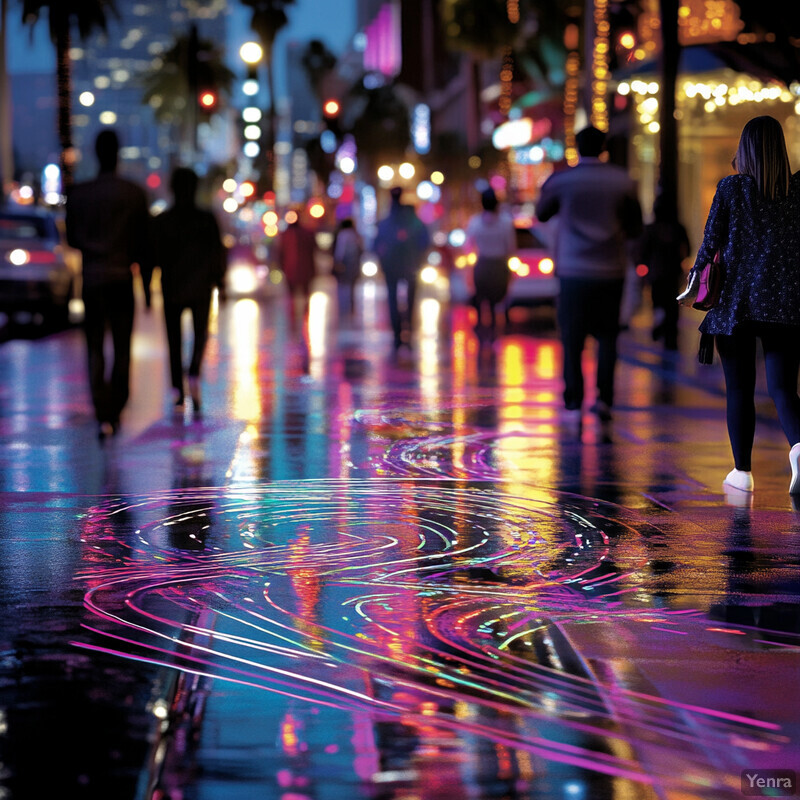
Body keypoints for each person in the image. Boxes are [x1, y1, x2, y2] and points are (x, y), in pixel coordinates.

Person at [681, 115, 800, 495]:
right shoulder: (798, 190)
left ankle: (742, 473)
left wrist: (695, 280)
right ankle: (799, 447)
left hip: (736, 303)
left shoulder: (732, 188)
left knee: (739, 389)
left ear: (744, 149)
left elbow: (710, 240)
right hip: (787, 303)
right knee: (784, 389)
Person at [536, 125, 643, 422]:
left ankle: (573, 402)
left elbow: (542, 213)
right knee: (608, 337)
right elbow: (635, 226)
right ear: (604, 148)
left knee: (572, 338)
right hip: (611, 270)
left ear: (577, 147)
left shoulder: (561, 181)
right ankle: (605, 399)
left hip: (572, 271)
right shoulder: (623, 181)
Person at [65, 128, 152, 439]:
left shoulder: (78, 194)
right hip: (120, 278)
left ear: (95, 153)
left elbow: (73, 238)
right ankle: (115, 407)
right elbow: (145, 243)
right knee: (122, 344)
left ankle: (102, 408)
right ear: (118, 153)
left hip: (92, 278)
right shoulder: (134, 193)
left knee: (94, 347)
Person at [150, 166, 225, 413]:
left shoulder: (162, 221)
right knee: (200, 334)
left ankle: (177, 391)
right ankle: (193, 372)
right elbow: (217, 254)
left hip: (172, 287)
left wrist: (148, 288)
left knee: (173, 340)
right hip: (201, 288)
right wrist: (220, 283)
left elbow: (154, 256)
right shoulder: (206, 219)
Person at [373, 186, 431, 349]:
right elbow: (424, 241)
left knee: (393, 298)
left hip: (394, 266)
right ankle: (407, 330)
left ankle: (398, 333)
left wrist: (383, 259)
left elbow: (376, 245)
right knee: (409, 299)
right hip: (410, 266)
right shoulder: (412, 220)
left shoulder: (387, 221)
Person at [638, 194, 690, 350]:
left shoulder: (651, 229)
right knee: (672, 306)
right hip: (673, 272)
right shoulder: (678, 228)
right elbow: (687, 249)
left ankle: (660, 327)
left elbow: (643, 252)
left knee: (658, 303)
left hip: (656, 273)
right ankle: (670, 336)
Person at [465, 187, 517, 336]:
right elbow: (511, 247)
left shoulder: (475, 222)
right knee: (495, 302)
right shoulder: (506, 223)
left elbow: (468, 246)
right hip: (499, 266)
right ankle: (494, 332)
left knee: (482, 300)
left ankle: (482, 333)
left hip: (482, 266)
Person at [277, 210, 318, 329]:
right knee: (299, 295)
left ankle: (300, 319)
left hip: (297, 270)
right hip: (297, 270)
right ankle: (297, 319)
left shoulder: (289, 235)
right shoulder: (299, 234)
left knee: (299, 295)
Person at [332, 217, 363, 318]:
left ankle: (344, 307)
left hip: (345, 264)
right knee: (352, 285)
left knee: (344, 285)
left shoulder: (343, 235)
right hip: (354, 264)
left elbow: (340, 250)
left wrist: (338, 262)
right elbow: (361, 250)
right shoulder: (356, 235)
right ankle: (351, 305)